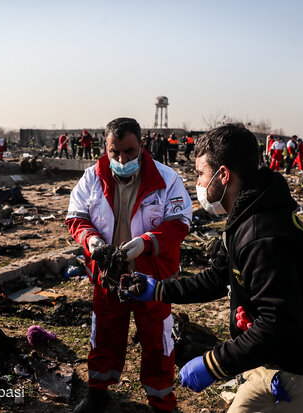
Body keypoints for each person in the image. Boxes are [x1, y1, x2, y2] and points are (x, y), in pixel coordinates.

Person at [129, 123, 303, 413]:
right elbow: (219, 277)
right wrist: (158, 289)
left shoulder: (262, 234)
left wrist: (213, 364)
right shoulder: (247, 214)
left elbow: (279, 323)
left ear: (223, 175)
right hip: (270, 362)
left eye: (200, 174)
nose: (198, 184)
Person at [66, 117, 192, 413]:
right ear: (105, 147)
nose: (122, 159)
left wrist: (147, 242)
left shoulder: (166, 179)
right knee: (104, 335)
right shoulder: (92, 178)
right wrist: (92, 241)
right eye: (115, 152)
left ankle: (162, 402)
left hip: (152, 278)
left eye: (130, 152)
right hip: (108, 276)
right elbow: (76, 216)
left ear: (142, 145)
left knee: (158, 342)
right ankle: (97, 391)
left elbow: (179, 223)